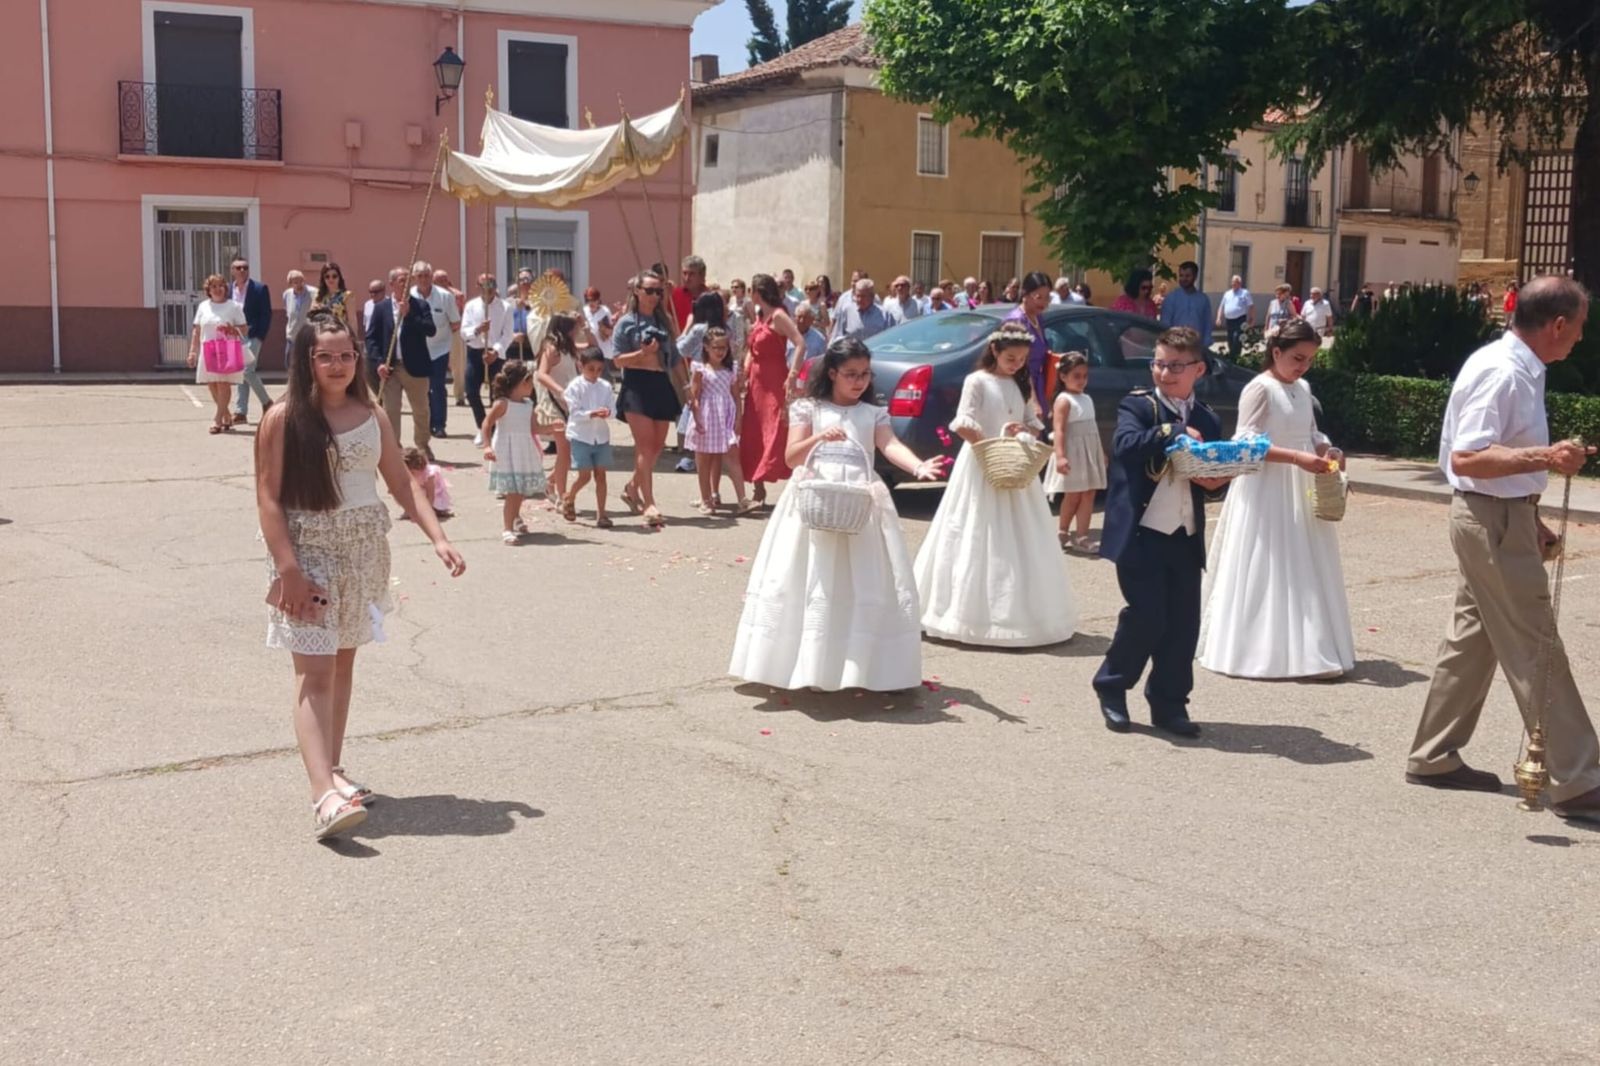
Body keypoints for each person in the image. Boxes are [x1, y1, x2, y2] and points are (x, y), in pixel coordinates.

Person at [256, 311, 464, 840]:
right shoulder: (282, 418)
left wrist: (438, 537)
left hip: (363, 553)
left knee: (342, 663)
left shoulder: (372, 414)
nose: (338, 365)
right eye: (325, 356)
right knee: (314, 672)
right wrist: (289, 571)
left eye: (346, 355)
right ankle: (322, 795)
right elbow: (269, 498)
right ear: (305, 360)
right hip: (308, 555)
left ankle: (333, 770)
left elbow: (401, 482)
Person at [1407, 275, 1600, 821]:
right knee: (1536, 645)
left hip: (1496, 517)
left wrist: (1529, 514)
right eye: (1579, 327)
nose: (1580, 337)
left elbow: (1486, 459)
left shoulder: (1515, 366)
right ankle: (1578, 778)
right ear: (1557, 325)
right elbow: (1467, 458)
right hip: (1491, 520)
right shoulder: (1504, 372)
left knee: (1473, 640)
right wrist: (1546, 458)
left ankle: (1434, 755)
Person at [729, 337, 944, 691]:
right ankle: (802, 664)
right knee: (811, 575)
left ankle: (860, 666)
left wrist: (918, 466)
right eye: (850, 374)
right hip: (815, 497)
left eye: (865, 374)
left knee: (861, 578)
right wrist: (819, 439)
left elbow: (889, 444)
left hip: (857, 500)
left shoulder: (872, 412)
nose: (859, 381)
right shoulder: (809, 408)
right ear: (832, 373)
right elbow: (792, 457)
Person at [1092, 326, 1230, 737]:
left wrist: (1217, 481)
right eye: (1159, 364)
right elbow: (1126, 446)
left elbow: (1211, 476)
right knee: (1147, 616)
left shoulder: (1207, 417)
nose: (1165, 373)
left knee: (1183, 625)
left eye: (1175, 366)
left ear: (1198, 369)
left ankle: (1170, 704)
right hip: (1142, 532)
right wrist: (1173, 431)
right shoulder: (1139, 406)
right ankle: (1112, 686)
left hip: (1185, 532)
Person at [1197, 319, 1354, 679]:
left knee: (1304, 561)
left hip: (1302, 483)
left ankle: (1311, 647)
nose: (1303, 366)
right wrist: (1297, 457)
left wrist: (1327, 449)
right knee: (1269, 560)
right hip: (1266, 486)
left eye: (1310, 360)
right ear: (1277, 352)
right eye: (1298, 358)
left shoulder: (1303, 387)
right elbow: (1246, 442)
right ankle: (1260, 649)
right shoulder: (1259, 389)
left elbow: (1310, 432)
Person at [913, 322, 1078, 647]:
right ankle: (966, 614)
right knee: (977, 529)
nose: (1016, 364)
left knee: (1020, 534)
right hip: (982, 460)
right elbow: (963, 421)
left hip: (1014, 463)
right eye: (1010, 358)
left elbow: (1032, 423)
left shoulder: (1020, 383)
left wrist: (1023, 431)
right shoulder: (977, 381)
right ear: (995, 351)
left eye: (1022, 359)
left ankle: (1020, 614)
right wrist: (989, 443)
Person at [614, 270, 683, 528]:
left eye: (659, 291)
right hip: (636, 384)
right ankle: (649, 502)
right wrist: (641, 354)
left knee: (657, 446)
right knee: (644, 446)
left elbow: (675, 358)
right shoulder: (626, 323)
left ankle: (633, 487)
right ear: (637, 292)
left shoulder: (664, 321)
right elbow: (617, 360)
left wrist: (687, 386)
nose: (655, 296)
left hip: (661, 382)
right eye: (650, 290)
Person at [741, 273, 809, 506]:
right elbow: (751, 350)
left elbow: (800, 342)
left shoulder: (778, 315)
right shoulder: (760, 316)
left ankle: (792, 481)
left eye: (751, 291)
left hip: (774, 379)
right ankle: (758, 487)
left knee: (776, 429)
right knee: (754, 431)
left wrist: (793, 374)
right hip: (756, 382)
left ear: (758, 292)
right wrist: (744, 371)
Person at [367, 266, 436, 454]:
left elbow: (430, 330)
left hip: (415, 367)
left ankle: (422, 446)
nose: (405, 284)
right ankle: (394, 449)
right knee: (391, 410)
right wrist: (379, 363)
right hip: (391, 367)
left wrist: (410, 314)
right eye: (401, 280)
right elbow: (371, 338)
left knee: (421, 409)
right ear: (391, 284)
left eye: (408, 280)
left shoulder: (420, 306)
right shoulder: (381, 308)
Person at [1044, 352, 1107, 553]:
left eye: (1085, 376)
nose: (1082, 380)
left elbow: (1093, 428)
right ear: (1063, 376)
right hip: (1073, 452)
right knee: (1073, 494)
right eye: (1076, 376)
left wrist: (1100, 453)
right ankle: (1062, 531)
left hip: (1089, 451)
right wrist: (1060, 456)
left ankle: (1082, 536)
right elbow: (1059, 430)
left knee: (1089, 493)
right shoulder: (1063, 400)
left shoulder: (1086, 398)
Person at [479, 360, 548, 543]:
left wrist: (552, 428)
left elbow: (534, 428)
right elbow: (487, 424)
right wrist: (487, 446)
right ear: (521, 382)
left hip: (523, 449)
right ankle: (507, 528)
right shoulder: (503, 404)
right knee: (513, 491)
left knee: (520, 489)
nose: (532, 386)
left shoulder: (528, 404)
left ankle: (515, 517)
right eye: (530, 382)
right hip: (506, 450)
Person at [687, 327, 753, 515]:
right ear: (706, 347)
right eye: (716, 347)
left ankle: (742, 499)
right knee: (704, 460)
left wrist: (738, 418)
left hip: (725, 418)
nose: (720, 351)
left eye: (723, 347)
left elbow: (736, 396)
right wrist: (696, 417)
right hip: (707, 418)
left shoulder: (730, 369)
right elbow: (695, 396)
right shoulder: (700, 369)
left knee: (733, 457)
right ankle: (705, 499)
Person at [187, 273, 248, 434]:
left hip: (226, 349)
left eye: (221, 286)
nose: (217, 289)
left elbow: (244, 329)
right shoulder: (203, 306)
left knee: (223, 383)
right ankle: (226, 414)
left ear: (225, 288)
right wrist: (193, 351)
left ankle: (217, 419)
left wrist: (232, 329)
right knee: (212, 383)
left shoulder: (233, 306)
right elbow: (197, 330)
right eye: (213, 286)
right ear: (208, 290)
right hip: (208, 348)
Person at [561, 350, 615, 528]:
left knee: (601, 475)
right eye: (591, 369)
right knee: (584, 476)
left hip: (601, 437)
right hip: (581, 436)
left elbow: (613, 409)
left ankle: (602, 514)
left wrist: (607, 412)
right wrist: (591, 413)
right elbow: (574, 413)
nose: (595, 373)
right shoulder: (574, 387)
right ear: (581, 366)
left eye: (599, 369)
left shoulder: (605, 386)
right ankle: (569, 496)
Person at [535, 312, 583, 507]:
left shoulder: (569, 349)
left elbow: (590, 345)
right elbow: (541, 374)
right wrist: (560, 391)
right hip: (555, 402)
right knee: (564, 451)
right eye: (574, 327)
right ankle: (563, 496)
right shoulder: (551, 348)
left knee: (569, 453)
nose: (577, 330)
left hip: (570, 404)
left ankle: (550, 481)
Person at [410, 261, 461, 438]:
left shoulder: (445, 297)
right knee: (420, 389)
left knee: (437, 387)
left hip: (439, 349)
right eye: (420, 276)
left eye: (426, 275)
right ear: (414, 278)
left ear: (431, 277)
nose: (423, 279)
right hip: (416, 350)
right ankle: (424, 424)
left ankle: (439, 424)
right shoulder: (408, 296)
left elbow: (455, 322)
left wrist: (443, 337)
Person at [461, 275, 512, 444]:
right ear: (478, 286)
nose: (488, 288)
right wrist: (478, 329)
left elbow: (507, 334)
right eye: (484, 284)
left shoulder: (505, 307)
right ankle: (483, 426)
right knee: (471, 391)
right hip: (475, 352)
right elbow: (464, 332)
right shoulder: (471, 306)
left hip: (495, 354)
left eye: (491, 284)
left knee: (496, 394)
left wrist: (495, 352)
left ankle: (495, 428)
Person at [1003, 271, 1054, 418]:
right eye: (1039, 297)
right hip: (1021, 386)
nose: (1044, 302)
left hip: (1038, 384)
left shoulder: (1038, 318)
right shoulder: (1017, 321)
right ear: (1025, 294)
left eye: (1047, 297)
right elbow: (1019, 365)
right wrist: (1033, 401)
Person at [229, 258, 273, 424]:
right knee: (240, 372)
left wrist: (260, 335)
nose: (242, 270)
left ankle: (267, 402)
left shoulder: (259, 288)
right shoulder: (229, 289)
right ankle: (241, 412)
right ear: (232, 270)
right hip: (234, 336)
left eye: (245, 268)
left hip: (252, 335)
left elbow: (266, 314)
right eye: (238, 268)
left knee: (247, 370)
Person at [433, 269, 467, 408]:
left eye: (444, 279)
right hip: (436, 334)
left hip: (454, 332)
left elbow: (460, 314)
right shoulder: (430, 294)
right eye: (439, 280)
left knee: (458, 365)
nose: (442, 282)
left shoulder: (456, 295)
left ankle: (459, 395)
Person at [1159, 260, 1212, 339]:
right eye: (1181, 275)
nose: (1183, 279)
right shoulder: (1171, 298)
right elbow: (1165, 324)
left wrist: (1206, 343)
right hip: (1175, 342)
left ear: (1195, 276)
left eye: (1187, 276)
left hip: (1196, 343)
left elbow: (1207, 325)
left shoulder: (1203, 299)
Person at [830, 278, 892, 343]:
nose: (859, 299)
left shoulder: (885, 315)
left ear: (872, 297)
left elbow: (892, 338)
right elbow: (836, 336)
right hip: (852, 349)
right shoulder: (847, 312)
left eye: (863, 296)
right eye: (857, 296)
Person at [402, 446, 453, 518]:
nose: (410, 474)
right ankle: (411, 510)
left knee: (431, 503)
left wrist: (427, 512)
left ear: (420, 468)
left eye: (412, 472)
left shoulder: (429, 475)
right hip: (420, 489)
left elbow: (431, 494)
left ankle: (436, 510)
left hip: (434, 492)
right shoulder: (412, 472)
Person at [312, 262, 357, 338]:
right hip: (322, 336)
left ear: (339, 278)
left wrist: (353, 339)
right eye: (327, 276)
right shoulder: (319, 296)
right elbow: (312, 318)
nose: (331, 279)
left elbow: (352, 321)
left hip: (340, 336)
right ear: (323, 279)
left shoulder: (347, 296)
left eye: (334, 276)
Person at [1216, 275, 1255, 361]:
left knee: (1237, 338)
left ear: (1240, 283)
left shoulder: (1244, 293)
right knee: (1230, 338)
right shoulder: (1227, 293)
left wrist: (1252, 318)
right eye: (1232, 282)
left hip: (1240, 319)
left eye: (1236, 282)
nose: (1233, 284)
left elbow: (1251, 306)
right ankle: (1232, 356)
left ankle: (1236, 357)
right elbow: (1221, 306)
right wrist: (1219, 317)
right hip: (1229, 320)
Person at [282, 270, 314, 372]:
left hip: (308, 336)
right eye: (296, 282)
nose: (299, 285)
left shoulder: (313, 293)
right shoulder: (287, 294)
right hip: (292, 336)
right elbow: (288, 313)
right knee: (289, 363)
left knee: (307, 365)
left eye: (301, 281)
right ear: (290, 283)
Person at [672, 255, 709, 332]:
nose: (687, 278)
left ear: (702, 275)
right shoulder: (673, 295)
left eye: (691, 274)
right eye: (684, 273)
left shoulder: (711, 297)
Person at [582, 286, 616, 364]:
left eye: (594, 300)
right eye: (588, 300)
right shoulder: (584, 310)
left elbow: (611, 332)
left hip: (605, 353)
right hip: (590, 352)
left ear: (598, 300)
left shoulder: (604, 312)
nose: (591, 303)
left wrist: (603, 329)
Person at [790, 302, 827, 367]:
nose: (801, 321)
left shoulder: (819, 339)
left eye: (805, 318)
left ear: (811, 320)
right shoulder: (786, 335)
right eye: (799, 317)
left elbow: (822, 362)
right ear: (794, 318)